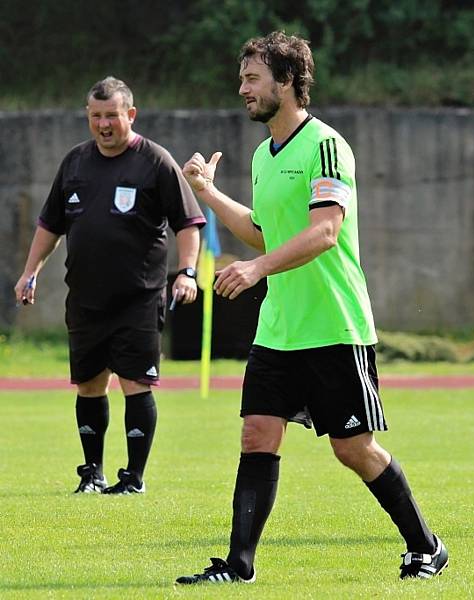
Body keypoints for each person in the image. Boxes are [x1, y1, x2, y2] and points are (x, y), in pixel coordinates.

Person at [174, 32, 448, 585]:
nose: (243, 88)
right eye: (243, 77)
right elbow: (262, 232)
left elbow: (324, 233)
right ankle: (238, 566)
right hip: (280, 328)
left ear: (287, 81)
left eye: (253, 78)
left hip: (333, 323)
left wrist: (256, 270)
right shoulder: (260, 154)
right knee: (256, 435)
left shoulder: (326, 145)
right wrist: (208, 193)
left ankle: (427, 547)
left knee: (353, 448)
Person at [14, 76, 205, 495]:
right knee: (89, 384)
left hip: (139, 298)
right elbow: (50, 225)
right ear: (88, 116)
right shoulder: (75, 163)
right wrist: (31, 271)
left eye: (112, 116)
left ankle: (133, 478)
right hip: (84, 298)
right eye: (96, 116)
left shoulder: (155, 161)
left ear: (130, 115)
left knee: (136, 382)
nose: (104, 125)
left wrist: (187, 272)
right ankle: (92, 473)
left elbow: (188, 224)